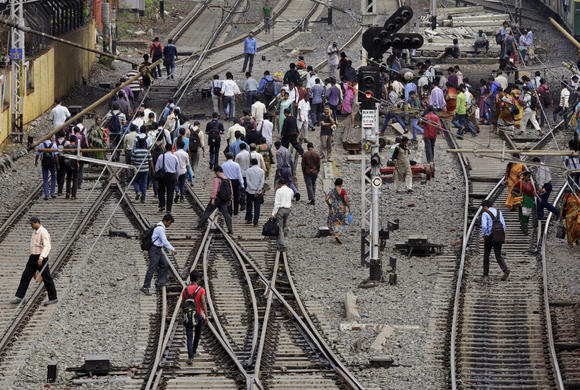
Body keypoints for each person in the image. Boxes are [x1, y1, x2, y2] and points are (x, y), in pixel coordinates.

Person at [11, 217, 58, 305]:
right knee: (25, 276)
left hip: (40, 258)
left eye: (32, 224)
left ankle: (53, 298)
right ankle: (20, 297)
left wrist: (42, 257)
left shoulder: (43, 232)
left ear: (37, 223)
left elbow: (47, 246)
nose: (31, 226)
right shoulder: (35, 231)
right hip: (32, 258)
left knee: (47, 278)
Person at [140, 214, 177, 296]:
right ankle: (145, 287)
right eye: (169, 223)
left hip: (158, 250)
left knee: (164, 264)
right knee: (152, 268)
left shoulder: (159, 226)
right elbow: (164, 241)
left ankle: (161, 281)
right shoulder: (160, 228)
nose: (169, 225)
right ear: (166, 221)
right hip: (154, 250)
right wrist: (172, 249)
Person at [196, 166, 234, 234]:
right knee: (226, 214)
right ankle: (230, 230)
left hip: (217, 199)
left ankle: (199, 226)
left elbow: (215, 190)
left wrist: (213, 199)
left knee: (207, 212)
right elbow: (231, 190)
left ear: (217, 172)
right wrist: (230, 199)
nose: (215, 173)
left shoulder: (217, 179)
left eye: (215, 172)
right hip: (224, 200)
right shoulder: (228, 179)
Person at [182, 271, 208, 365]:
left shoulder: (185, 290)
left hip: (188, 315)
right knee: (197, 334)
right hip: (198, 315)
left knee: (189, 336)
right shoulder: (201, 290)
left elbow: (183, 303)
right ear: (197, 280)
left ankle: (190, 356)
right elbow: (203, 303)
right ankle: (194, 351)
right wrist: (206, 316)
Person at [481, 200, 510, 280]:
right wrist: (501, 234)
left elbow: (484, 226)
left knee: (486, 255)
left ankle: (486, 274)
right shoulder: (499, 212)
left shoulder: (485, 213)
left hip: (489, 236)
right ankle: (505, 269)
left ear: (485, 207)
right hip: (498, 235)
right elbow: (503, 224)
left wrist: (484, 234)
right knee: (498, 255)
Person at [270, 178, 294, 251]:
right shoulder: (291, 190)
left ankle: (281, 244)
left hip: (281, 210)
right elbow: (291, 198)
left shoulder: (279, 191)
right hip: (288, 209)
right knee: (283, 225)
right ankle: (281, 239)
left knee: (279, 226)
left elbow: (277, 204)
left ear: (280, 184)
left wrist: (273, 214)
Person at [325, 178, 351, 244]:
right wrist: (349, 208)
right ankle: (337, 234)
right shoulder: (343, 191)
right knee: (341, 222)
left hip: (333, 209)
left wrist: (329, 205)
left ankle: (335, 231)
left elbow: (326, 199)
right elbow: (346, 200)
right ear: (341, 184)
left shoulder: (331, 191)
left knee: (332, 221)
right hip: (341, 209)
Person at [155, 144, 179, 213]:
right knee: (170, 192)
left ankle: (162, 205)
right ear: (172, 149)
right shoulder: (175, 157)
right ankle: (169, 209)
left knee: (161, 191)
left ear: (165, 149)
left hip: (163, 176)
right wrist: (177, 177)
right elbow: (177, 169)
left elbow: (157, 168)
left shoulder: (161, 157)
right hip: (172, 176)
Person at [132, 136, 154, 203]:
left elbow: (132, 162)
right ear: (145, 144)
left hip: (137, 169)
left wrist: (131, 170)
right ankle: (143, 198)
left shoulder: (135, 151)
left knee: (135, 182)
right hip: (145, 170)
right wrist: (153, 170)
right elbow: (150, 161)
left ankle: (138, 191)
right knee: (144, 184)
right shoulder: (147, 151)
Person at [245, 158, 265, 226]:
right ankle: (256, 222)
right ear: (257, 163)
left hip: (250, 191)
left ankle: (249, 218)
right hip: (258, 192)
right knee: (257, 207)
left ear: (251, 163)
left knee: (249, 205)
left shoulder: (248, 170)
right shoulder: (261, 171)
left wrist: (253, 189)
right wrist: (257, 189)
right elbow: (262, 182)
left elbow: (248, 181)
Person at [421, 106, 441, 173]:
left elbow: (422, 123)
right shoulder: (436, 117)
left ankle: (429, 162)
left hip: (427, 135)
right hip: (433, 135)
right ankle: (432, 160)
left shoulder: (426, 116)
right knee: (432, 147)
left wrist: (421, 120)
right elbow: (439, 126)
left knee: (428, 148)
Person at [63, 135, 80, 199]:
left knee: (68, 179)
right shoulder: (77, 147)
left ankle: (67, 193)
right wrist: (78, 162)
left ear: (69, 140)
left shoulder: (66, 146)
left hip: (68, 164)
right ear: (75, 140)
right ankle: (73, 195)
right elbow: (80, 156)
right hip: (75, 164)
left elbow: (63, 154)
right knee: (75, 179)